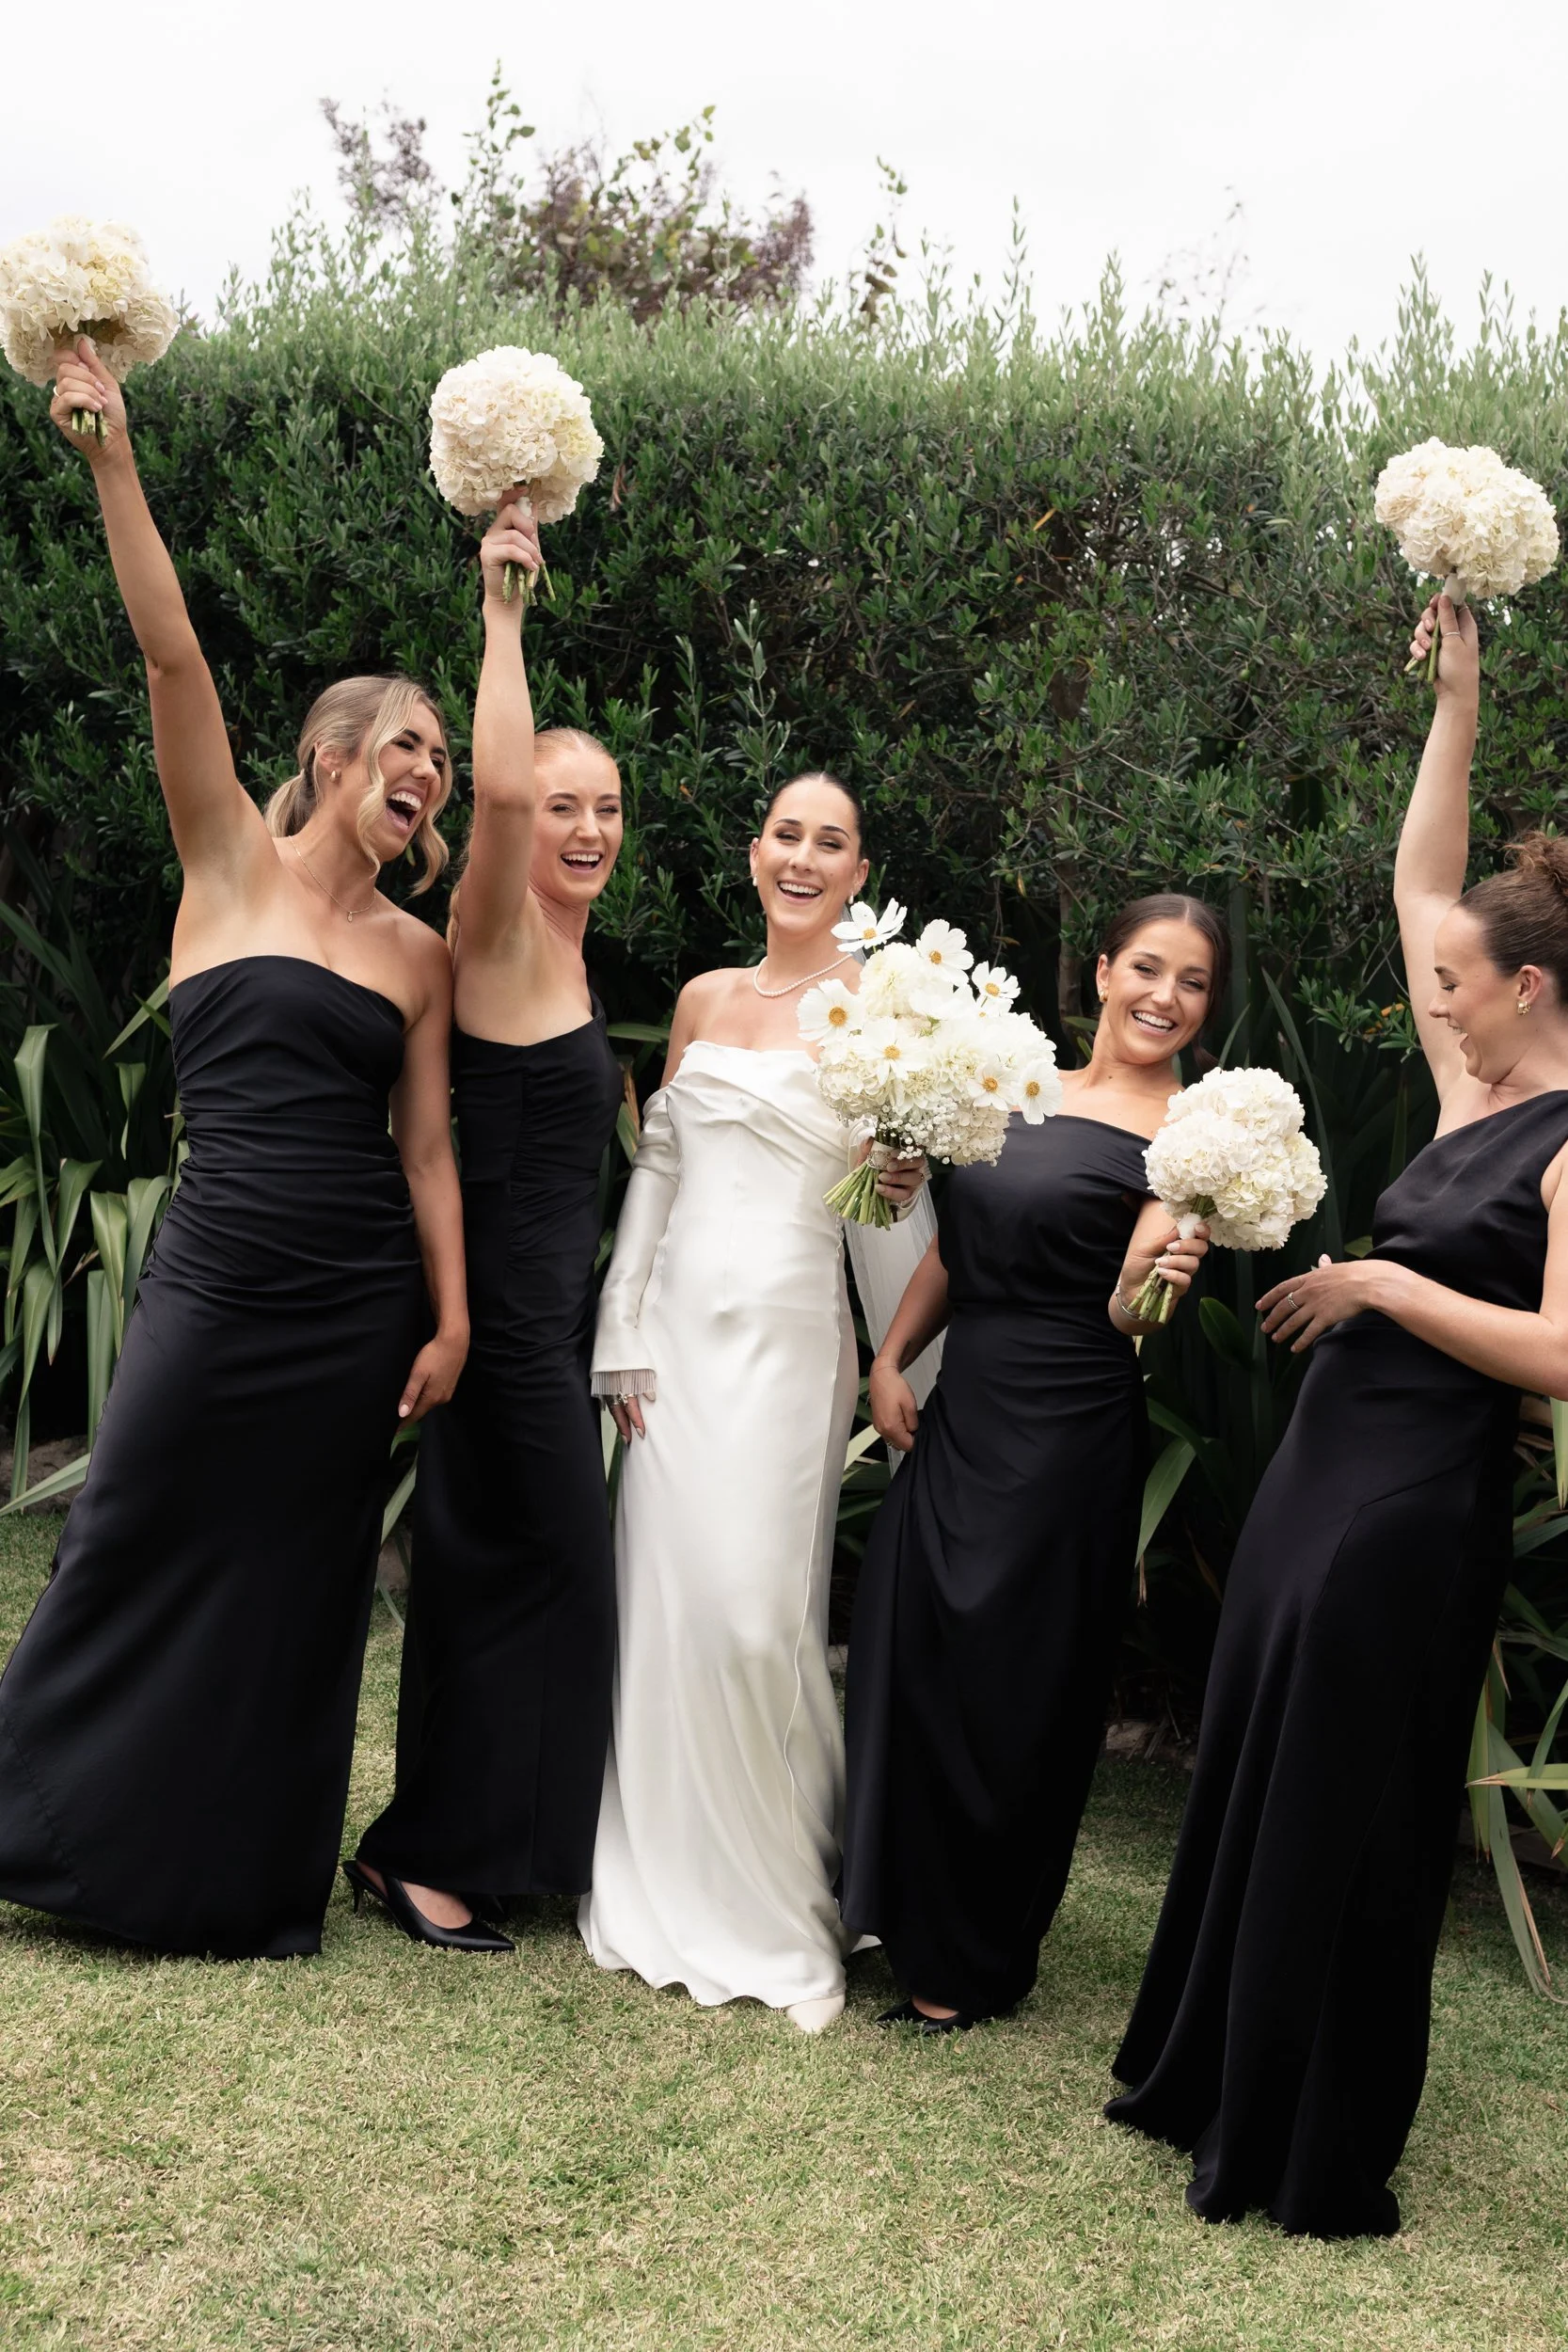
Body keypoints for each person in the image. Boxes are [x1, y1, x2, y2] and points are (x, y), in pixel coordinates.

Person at [1106, 593, 1568, 2237]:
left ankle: (1307, 2137)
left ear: (1526, 986)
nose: (1431, 996)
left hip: (1412, 1510)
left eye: (1456, 984)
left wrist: (1375, 1286)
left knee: (1346, 1800)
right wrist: (1455, 694)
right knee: (1258, 1756)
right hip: (1322, 1478)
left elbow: (1564, 1349)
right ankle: (1208, 2071)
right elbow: (1417, 881)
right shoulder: (1472, 1092)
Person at [0, 338, 467, 1961]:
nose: (427, 774)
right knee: (130, 1520)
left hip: (355, 1301)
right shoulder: (227, 868)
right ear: (332, 759)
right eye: (405, 746)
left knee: (297, 1579)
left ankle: (242, 1879)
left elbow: (424, 1151)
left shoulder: (418, 958)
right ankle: (43, 1823)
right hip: (217, 1270)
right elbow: (175, 663)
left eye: (443, 764)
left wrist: (450, 1315)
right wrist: (110, 458)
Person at [581, 775, 927, 2032]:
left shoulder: (880, 1008)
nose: (802, 856)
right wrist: (618, 1330)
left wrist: (895, 1181)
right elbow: (657, 1174)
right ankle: (662, 1869)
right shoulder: (702, 1001)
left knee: (749, 1615)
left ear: (855, 871)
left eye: (829, 841)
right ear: (753, 852)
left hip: (788, 1345)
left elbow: (884, 1210)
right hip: (668, 1339)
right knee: (665, 1605)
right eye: (787, 833)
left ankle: (783, 1883)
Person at [840, 898, 1220, 2031]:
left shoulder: (1191, 1136)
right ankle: (896, 1908)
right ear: (1101, 971)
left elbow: (1133, 1312)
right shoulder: (1015, 1081)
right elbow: (958, 1243)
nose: (1163, 996)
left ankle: (971, 1953)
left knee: (1014, 1686)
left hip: (1066, 1431)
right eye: (1146, 967)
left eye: (1192, 982)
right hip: (962, 1412)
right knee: (910, 1655)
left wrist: (1143, 1287)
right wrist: (891, 1356)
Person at [350, 500, 626, 1953]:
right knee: (555, 1579)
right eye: (561, 804)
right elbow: (501, 802)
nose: (579, 827)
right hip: (505, 1331)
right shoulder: (498, 927)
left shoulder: (573, 960)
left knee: (496, 1570)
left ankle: (466, 1850)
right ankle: (427, 1855)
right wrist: (504, 616)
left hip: (538, 1325)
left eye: (606, 808)